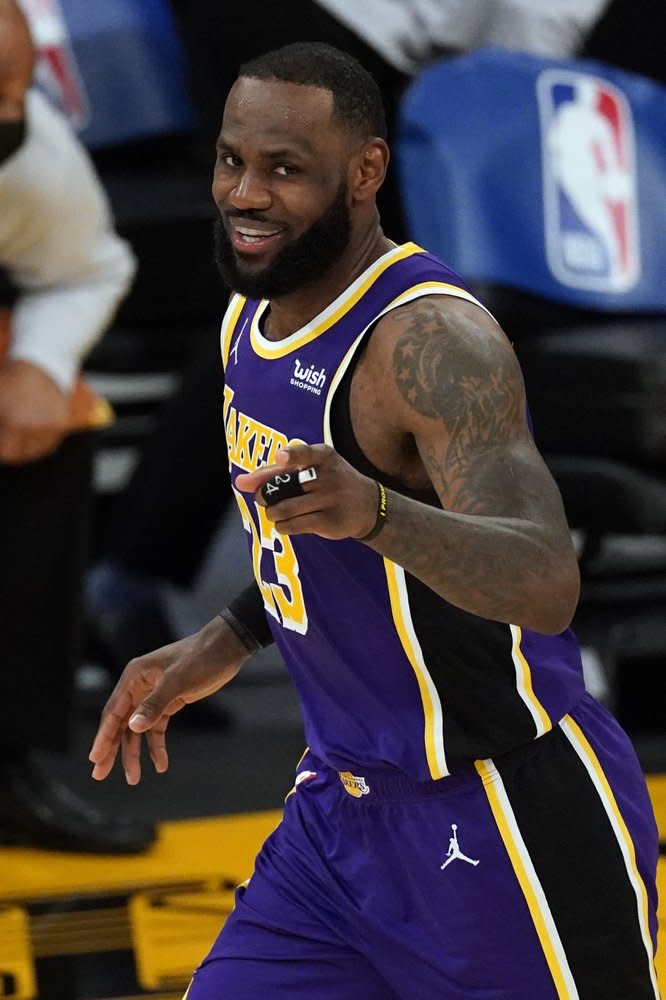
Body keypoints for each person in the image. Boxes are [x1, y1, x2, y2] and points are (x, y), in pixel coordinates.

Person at [90, 43, 660, 996]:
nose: (246, 194)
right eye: (233, 160)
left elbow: (546, 582)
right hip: (338, 821)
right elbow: (309, 533)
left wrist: (379, 513)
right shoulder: (250, 317)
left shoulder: (434, 342)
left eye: (284, 170)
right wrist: (228, 635)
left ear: (365, 171)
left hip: (501, 814)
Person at [0, 0, 154, 852]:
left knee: (52, 427)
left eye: (14, 92)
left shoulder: (27, 147)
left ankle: (8, 768)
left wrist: (38, 366)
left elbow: (88, 266)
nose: (7, 117)